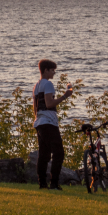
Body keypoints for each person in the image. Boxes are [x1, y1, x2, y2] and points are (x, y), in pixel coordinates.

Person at [32, 59, 74, 190]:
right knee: (58, 153)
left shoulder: (36, 85)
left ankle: (42, 183)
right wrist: (65, 96)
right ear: (45, 70)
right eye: (52, 70)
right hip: (49, 123)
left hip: (39, 122)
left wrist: (38, 118)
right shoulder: (48, 84)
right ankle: (54, 183)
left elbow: (35, 107)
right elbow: (49, 103)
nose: (54, 73)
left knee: (44, 154)